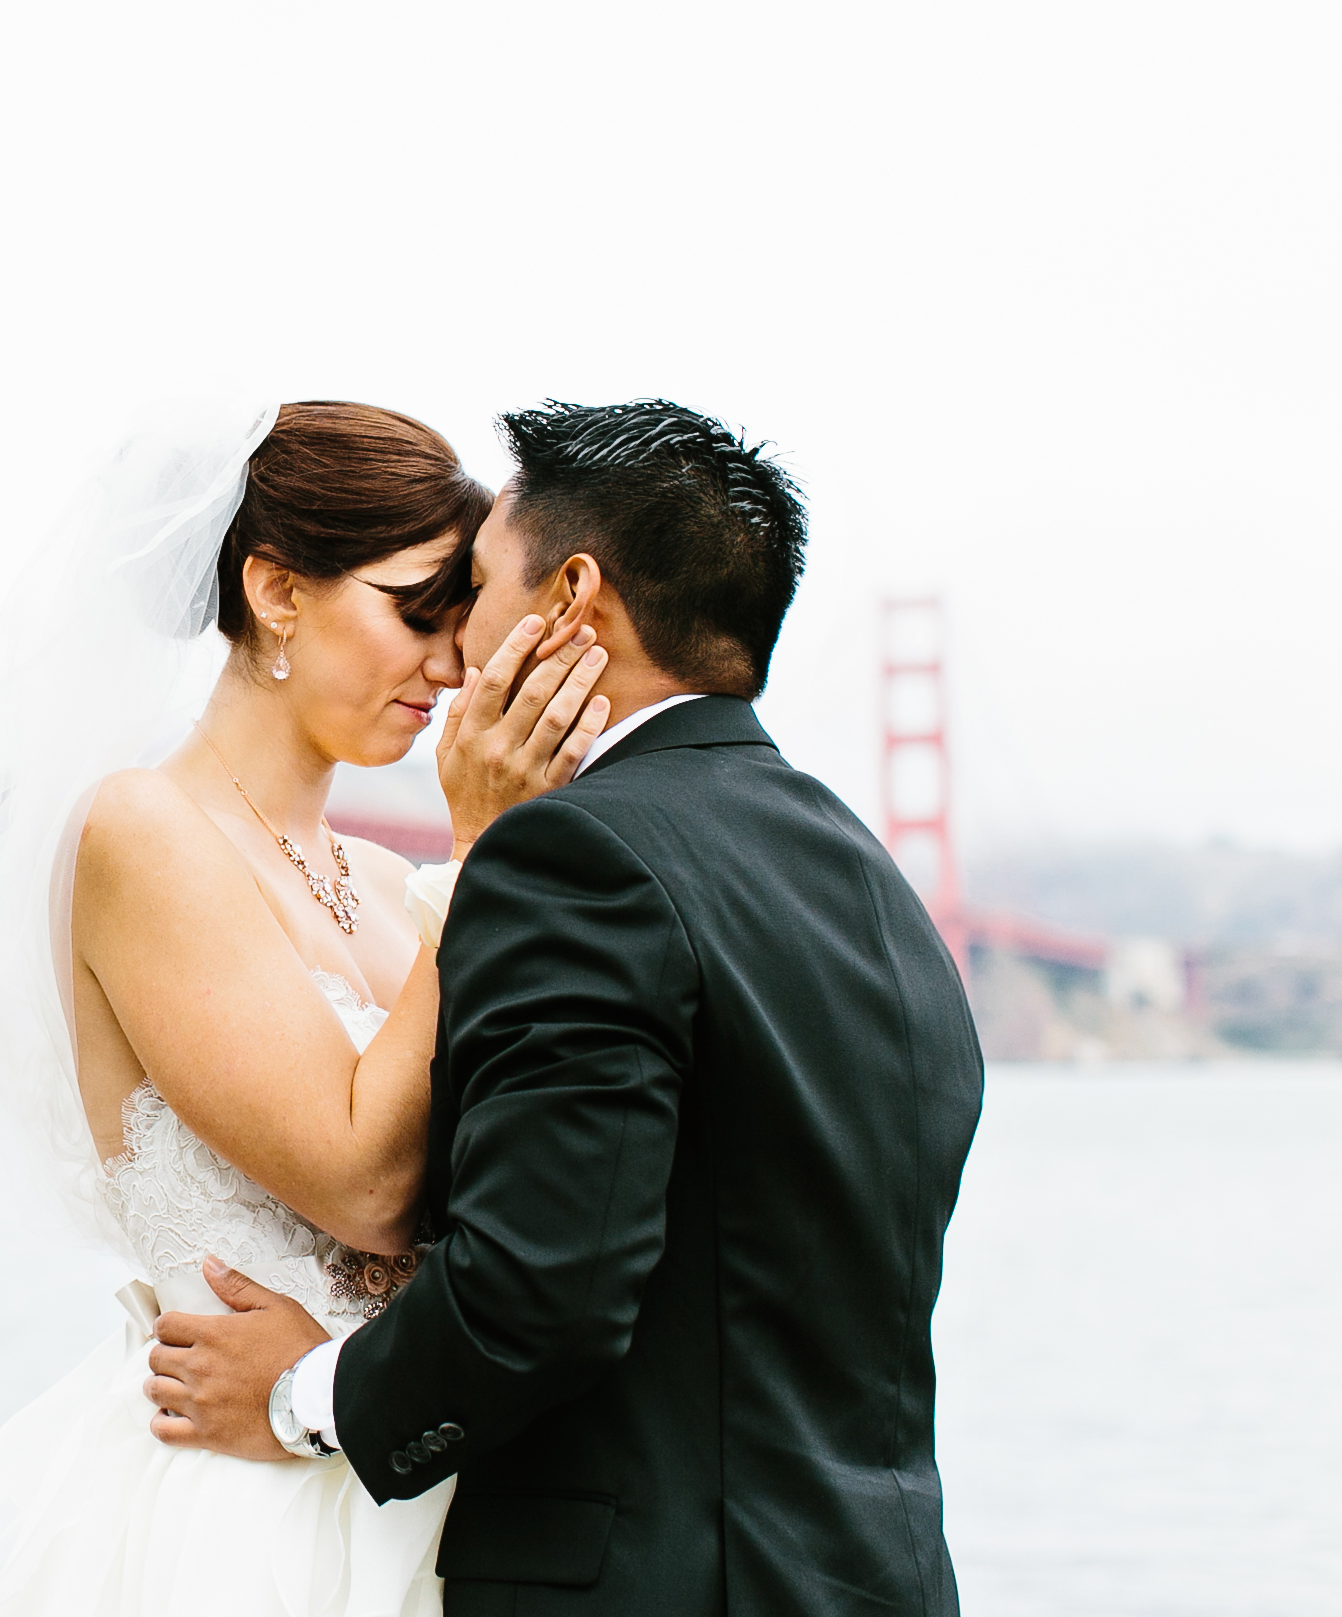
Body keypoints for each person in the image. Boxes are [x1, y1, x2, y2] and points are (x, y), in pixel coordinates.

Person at [144, 401, 986, 1614]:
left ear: (571, 596)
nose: (455, 654)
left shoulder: (577, 862)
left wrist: (302, 1398)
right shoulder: (869, 885)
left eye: (474, 587)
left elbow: (545, 1289)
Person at [0, 401, 606, 1616]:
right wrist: (490, 856)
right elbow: (363, 1183)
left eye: (460, 625)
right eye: (413, 611)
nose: (450, 667)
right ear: (277, 589)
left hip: (421, 1470)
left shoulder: (399, 887)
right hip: (246, 1520)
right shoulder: (142, 832)